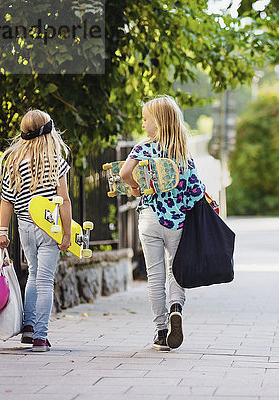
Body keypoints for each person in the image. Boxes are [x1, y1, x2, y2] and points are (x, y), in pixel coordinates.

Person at [120, 95, 205, 351]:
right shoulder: (183, 154)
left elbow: (124, 173)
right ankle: (175, 308)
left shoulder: (144, 148)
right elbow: (195, 191)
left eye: (146, 119)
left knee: (154, 275)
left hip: (150, 218)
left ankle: (160, 332)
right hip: (177, 222)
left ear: (158, 122)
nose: (143, 124)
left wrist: (137, 188)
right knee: (175, 270)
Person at [0, 109, 72, 352]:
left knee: (33, 275)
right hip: (49, 227)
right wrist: (67, 234)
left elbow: (7, 199)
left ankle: (28, 328)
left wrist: (2, 231)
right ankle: (40, 336)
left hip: (25, 227)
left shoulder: (14, 162)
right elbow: (65, 200)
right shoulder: (54, 161)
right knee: (45, 280)